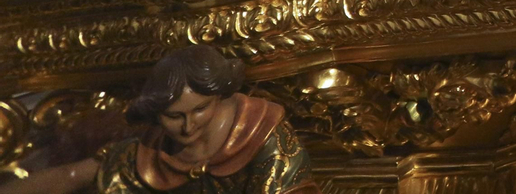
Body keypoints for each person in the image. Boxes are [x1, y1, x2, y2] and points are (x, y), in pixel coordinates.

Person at [7, 46, 316, 194]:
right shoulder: (150, 153)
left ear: (218, 98)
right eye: (174, 116)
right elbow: (75, 175)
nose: (188, 126)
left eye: (199, 110)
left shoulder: (263, 138)